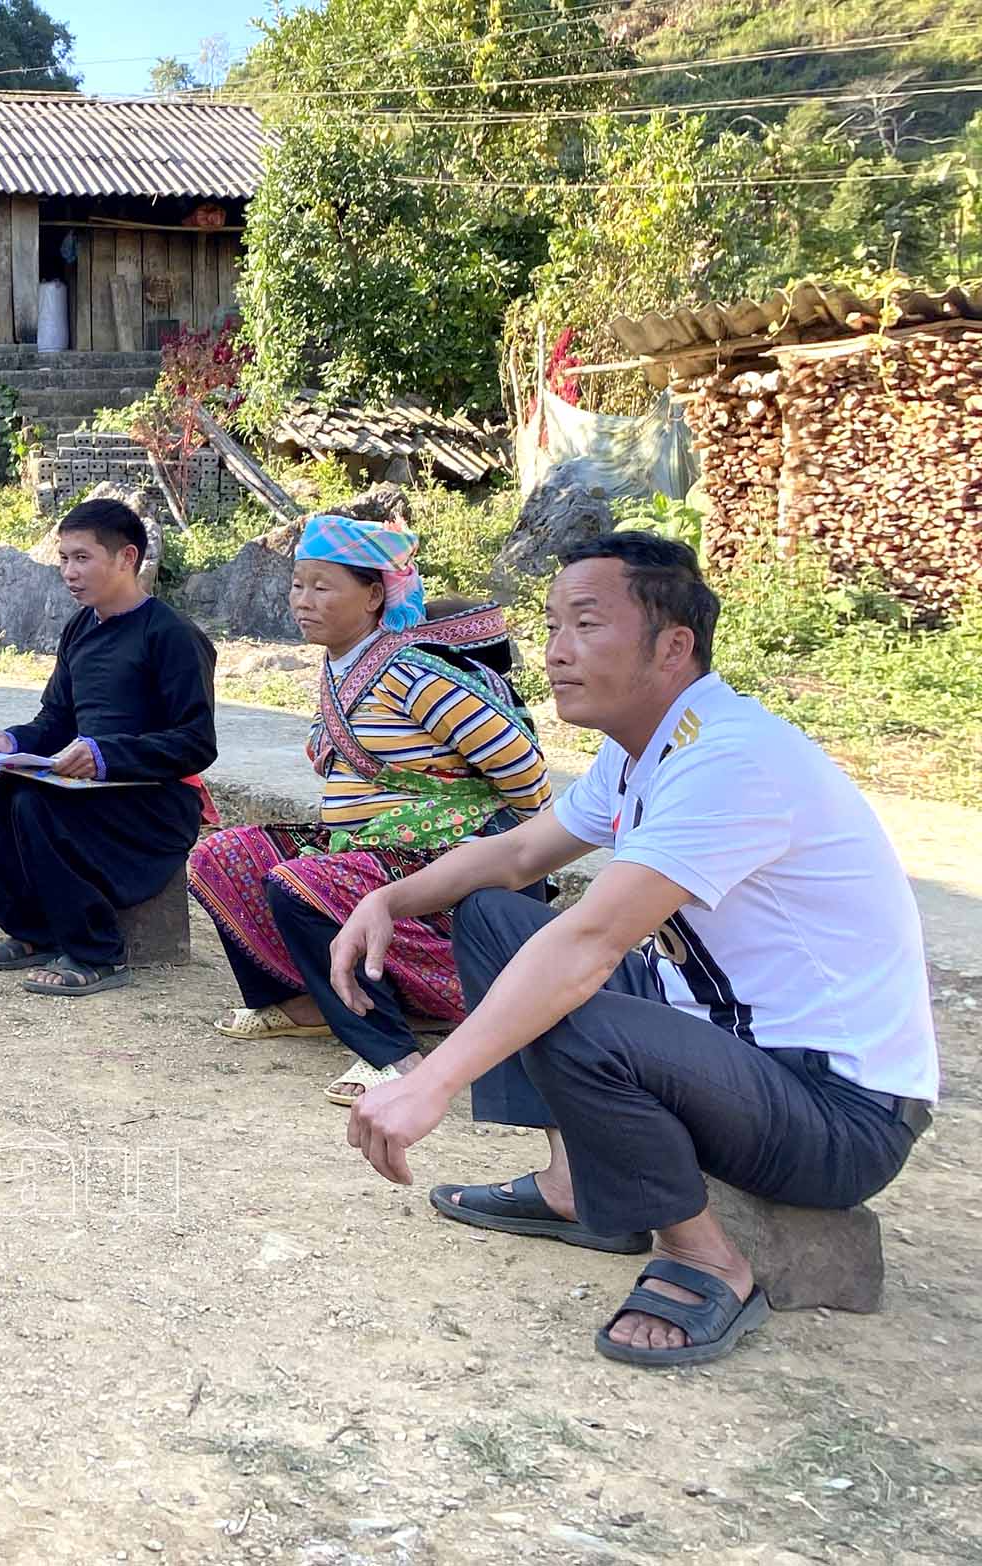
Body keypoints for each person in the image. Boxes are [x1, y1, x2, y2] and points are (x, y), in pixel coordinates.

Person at [332, 533, 936, 1367]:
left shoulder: (728, 759)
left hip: (837, 1114)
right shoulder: (642, 749)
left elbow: (590, 943)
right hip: (737, 1051)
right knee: (495, 916)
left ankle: (704, 1257)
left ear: (673, 645)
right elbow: (516, 856)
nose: (556, 652)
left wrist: (429, 1080)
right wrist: (386, 899)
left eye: (586, 625)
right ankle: (575, 1185)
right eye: (551, 626)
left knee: (569, 1002)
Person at [186, 513, 552, 1106]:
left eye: (322, 586)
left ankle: (391, 1053)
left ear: (375, 594)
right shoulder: (344, 665)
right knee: (222, 855)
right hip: (363, 848)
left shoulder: (412, 670)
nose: (302, 600)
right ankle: (303, 1004)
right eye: (298, 583)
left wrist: (493, 853)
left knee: (298, 884)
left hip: (443, 855)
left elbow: (525, 774)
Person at [0, 496, 217, 997]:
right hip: (87, 789)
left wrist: (105, 757)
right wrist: (9, 741)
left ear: (126, 559)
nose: (69, 572)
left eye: (82, 558)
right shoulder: (80, 627)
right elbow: (56, 719)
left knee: (38, 806)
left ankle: (98, 951)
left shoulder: (173, 636)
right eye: (64, 559)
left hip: (152, 801)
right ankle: (35, 932)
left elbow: (195, 742)